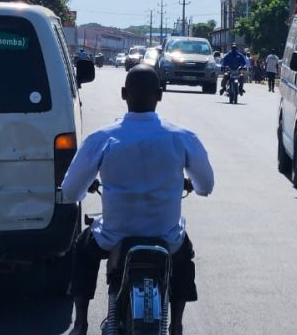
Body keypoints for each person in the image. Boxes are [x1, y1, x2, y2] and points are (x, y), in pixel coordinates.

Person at [60, 67, 214, 335]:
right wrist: (191, 184)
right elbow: (206, 186)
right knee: (184, 257)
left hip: (114, 236)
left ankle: (81, 323)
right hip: (166, 237)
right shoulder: (182, 137)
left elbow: (71, 192)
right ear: (159, 95)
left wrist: (86, 188)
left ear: (124, 94)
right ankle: (177, 324)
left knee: (83, 250)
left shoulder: (102, 137)